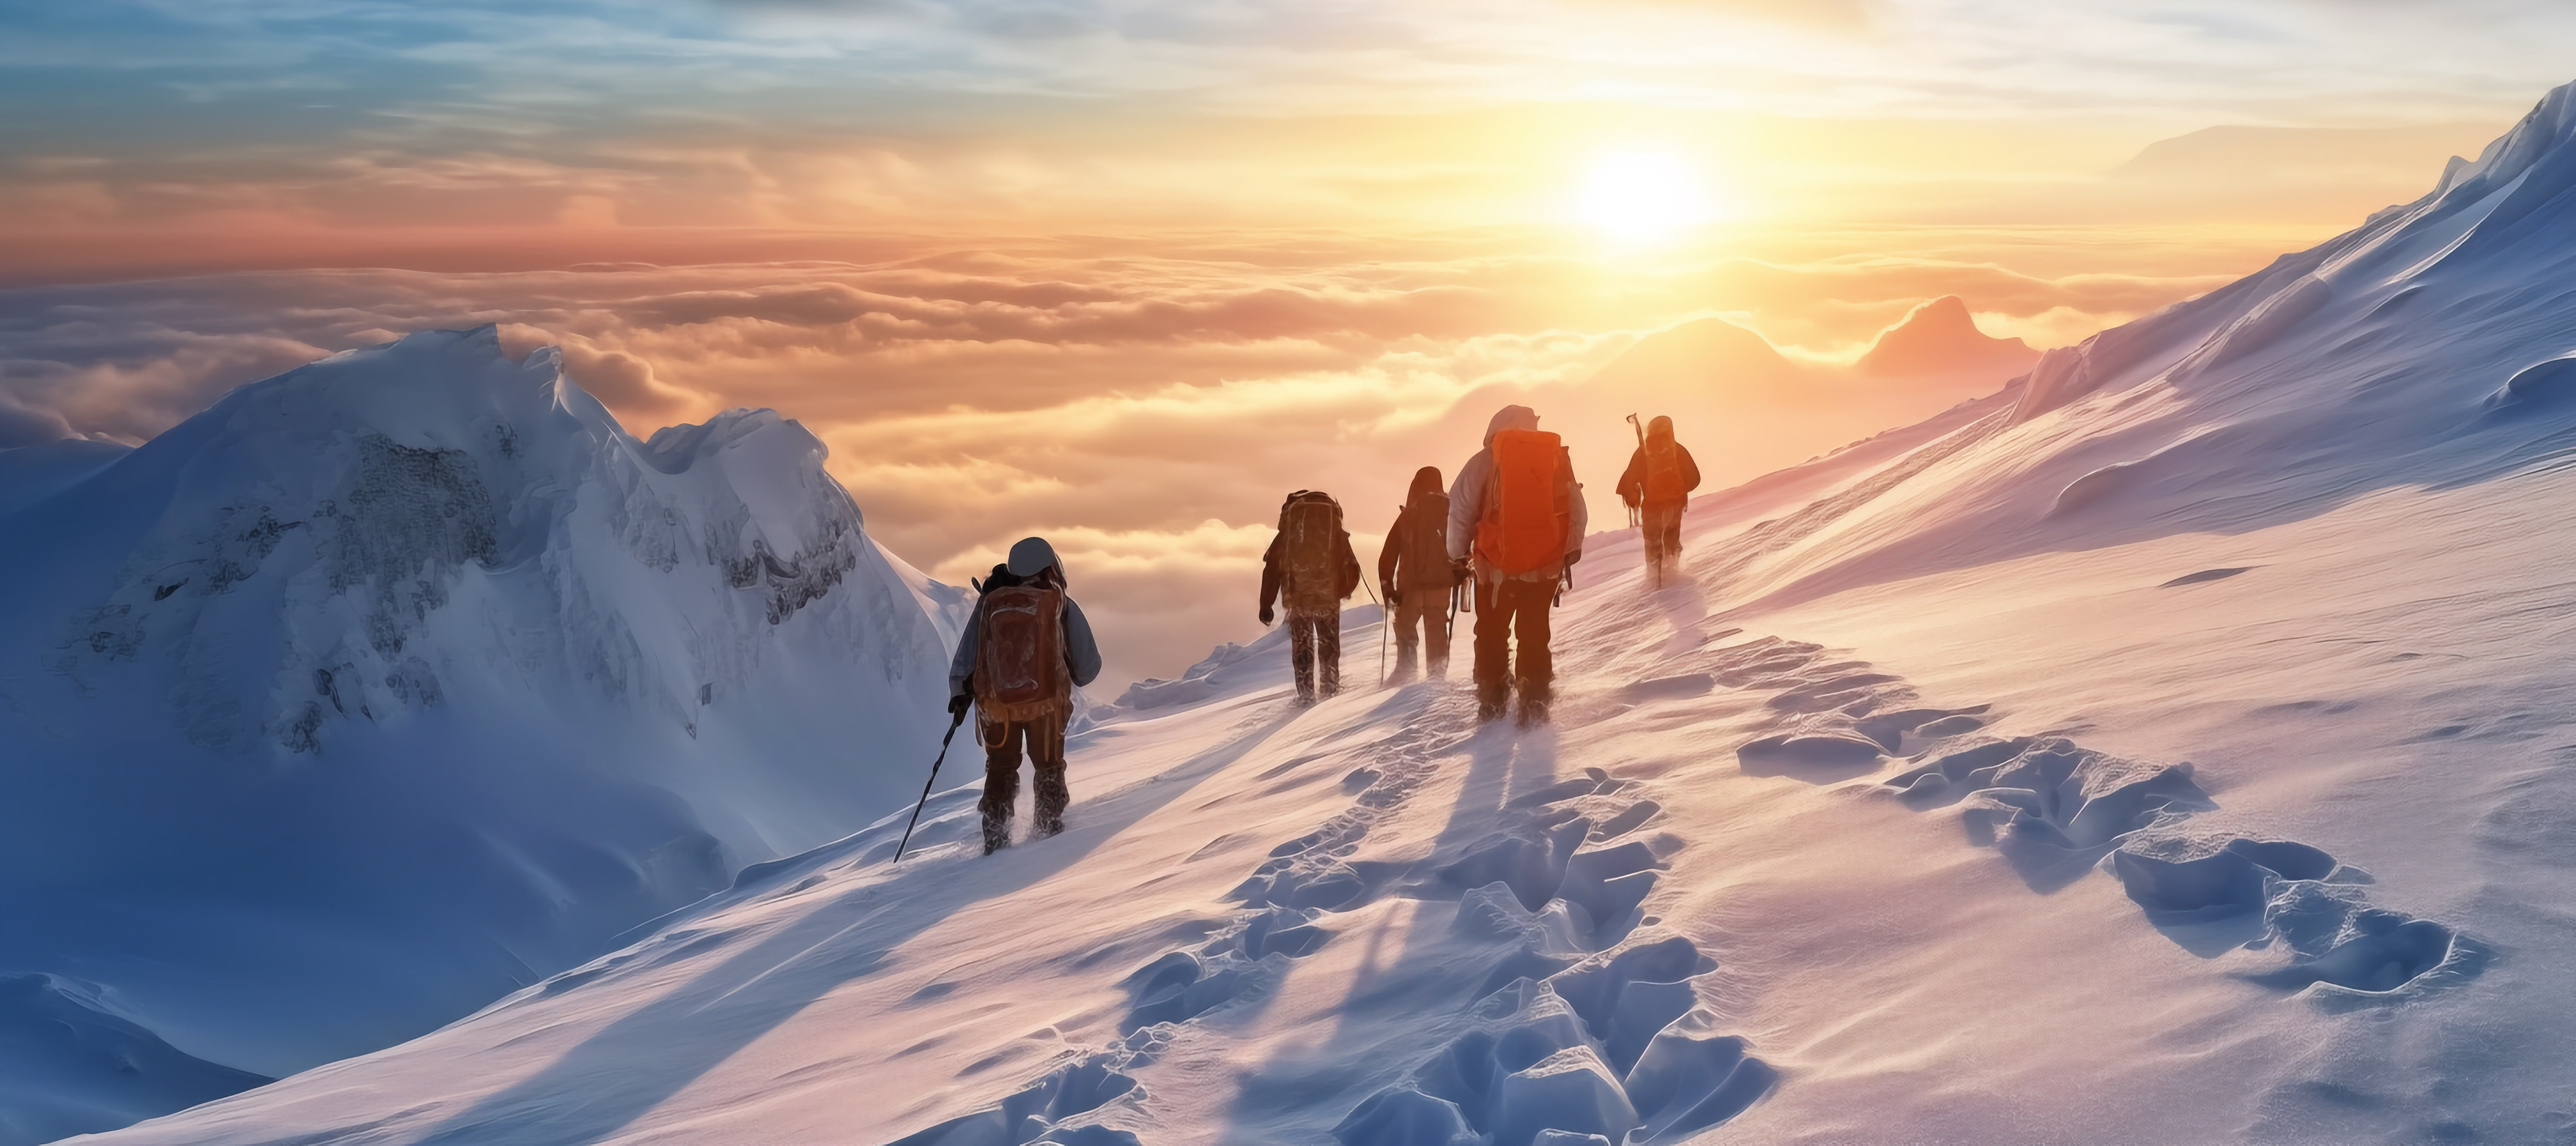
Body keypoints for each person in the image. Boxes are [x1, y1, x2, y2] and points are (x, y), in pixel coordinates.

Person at [948, 536, 1103, 855]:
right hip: (1045, 704)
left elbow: (966, 658)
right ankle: (1048, 834)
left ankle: (995, 839)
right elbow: (1087, 670)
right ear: (1051, 567)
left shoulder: (990, 603)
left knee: (1001, 768)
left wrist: (960, 694)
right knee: (1048, 767)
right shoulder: (1058, 604)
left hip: (995, 707)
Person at [1448, 405, 1586, 726]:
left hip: (1495, 570)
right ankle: (1534, 702)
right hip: (1543, 567)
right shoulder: (1555, 460)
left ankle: (1492, 702)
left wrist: (1457, 556)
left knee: (1492, 633)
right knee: (1535, 632)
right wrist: (1570, 549)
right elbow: (1577, 507)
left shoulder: (1484, 461)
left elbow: (1460, 510)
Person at [1259, 489, 1362, 706]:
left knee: (1303, 647)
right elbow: (1353, 566)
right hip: (1328, 599)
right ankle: (1330, 689)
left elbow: (1272, 570)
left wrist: (1266, 605)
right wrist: (1342, 591)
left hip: (1299, 600)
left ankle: (1305, 696)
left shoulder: (1287, 534)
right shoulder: (1334, 531)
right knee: (1329, 646)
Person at [1376, 465, 1457, 683]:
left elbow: (1389, 554)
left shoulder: (1408, 515)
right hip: (1441, 585)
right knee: (1438, 628)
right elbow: (1461, 543)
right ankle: (1437, 676)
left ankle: (1406, 670)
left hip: (1410, 587)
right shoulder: (1451, 511)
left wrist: (1387, 584)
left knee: (1405, 627)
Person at [1615, 415, 1701, 575]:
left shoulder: (1643, 451)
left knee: (1652, 543)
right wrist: (1679, 491)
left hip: (1652, 507)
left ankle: (1654, 577)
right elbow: (1695, 479)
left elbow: (1629, 480)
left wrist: (1635, 495)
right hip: (1675, 505)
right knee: (1671, 539)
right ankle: (1673, 572)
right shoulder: (1678, 450)